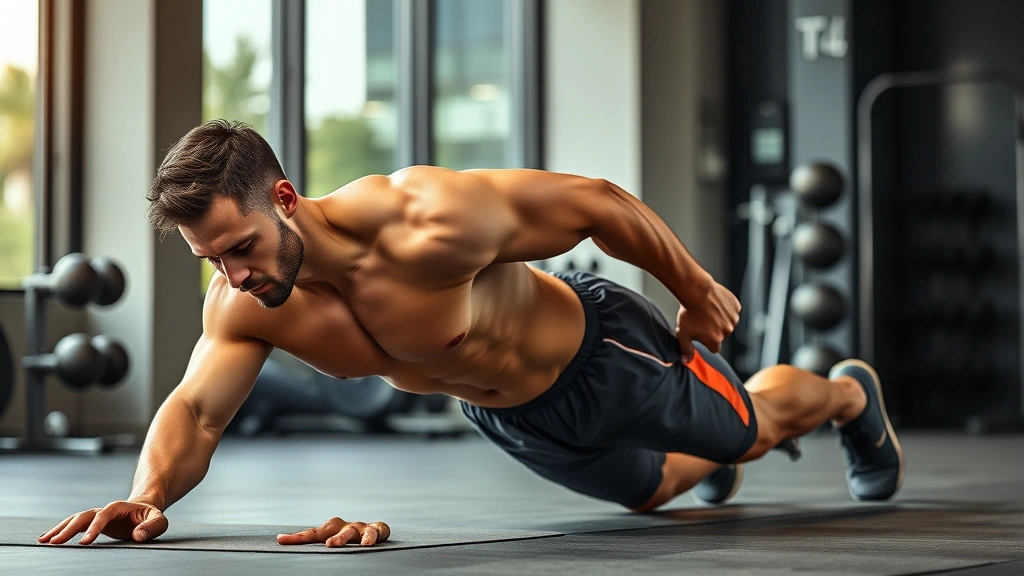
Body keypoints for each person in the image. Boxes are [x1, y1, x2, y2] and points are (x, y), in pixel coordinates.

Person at [39, 120, 904, 548]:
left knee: (749, 435)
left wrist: (694, 286)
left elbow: (596, 202)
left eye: (240, 248)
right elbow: (196, 412)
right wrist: (147, 495)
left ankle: (845, 394)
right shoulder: (245, 305)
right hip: (513, 419)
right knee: (651, 496)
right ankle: (705, 451)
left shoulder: (424, 219)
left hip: (603, 357)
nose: (234, 276)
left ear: (288, 201)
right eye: (210, 260)